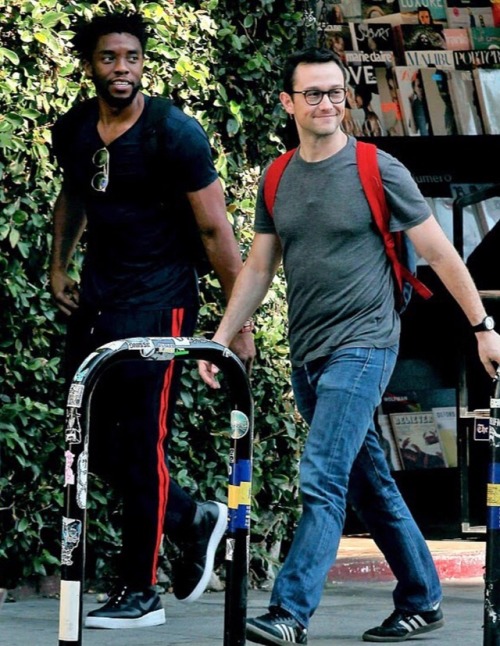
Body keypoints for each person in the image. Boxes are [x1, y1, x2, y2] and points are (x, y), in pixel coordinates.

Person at [199, 47, 500, 644]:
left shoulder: (377, 168)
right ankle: (421, 596)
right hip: (309, 350)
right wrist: (222, 335)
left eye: (336, 92)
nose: (327, 103)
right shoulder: (278, 175)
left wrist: (482, 326)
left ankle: (290, 612)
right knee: (367, 481)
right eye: (313, 93)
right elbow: (259, 267)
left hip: (365, 343)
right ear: (288, 103)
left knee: (322, 475)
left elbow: (440, 252)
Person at [49, 10, 255, 630]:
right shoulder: (76, 129)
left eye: (132, 58)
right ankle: (194, 517)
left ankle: (142, 591)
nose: (122, 69)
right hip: (100, 299)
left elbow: (215, 228)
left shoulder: (175, 133)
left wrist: (236, 323)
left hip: (161, 300)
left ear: (143, 63)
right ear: (91, 64)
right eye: (110, 58)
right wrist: (60, 266)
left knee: (142, 442)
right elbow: (74, 195)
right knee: (87, 437)